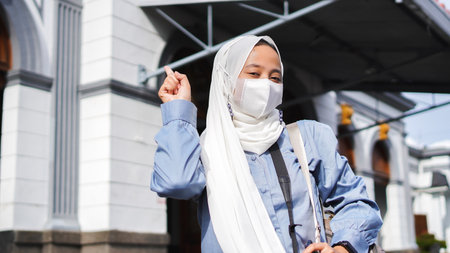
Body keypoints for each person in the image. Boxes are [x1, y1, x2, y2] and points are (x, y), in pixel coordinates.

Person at [151, 35, 382, 253]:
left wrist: (343, 248)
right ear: (227, 80)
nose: (266, 85)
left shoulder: (308, 138)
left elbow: (356, 201)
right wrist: (179, 110)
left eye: (275, 77)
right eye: (253, 74)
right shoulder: (207, 149)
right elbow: (176, 183)